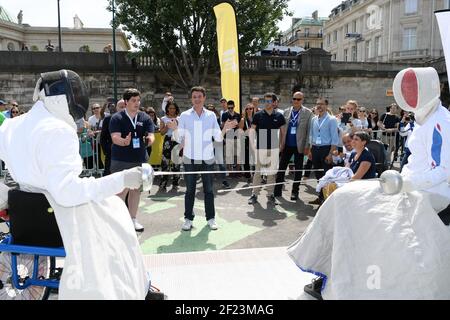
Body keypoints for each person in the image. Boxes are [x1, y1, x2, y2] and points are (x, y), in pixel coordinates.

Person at [287, 67, 450, 300]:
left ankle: (342, 280)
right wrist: (402, 181)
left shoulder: (440, 122)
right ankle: (329, 272)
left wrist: (403, 183)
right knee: (344, 197)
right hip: (408, 187)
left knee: (353, 204)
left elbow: (443, 171)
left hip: (429, 194)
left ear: (430, 88)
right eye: (407, 89)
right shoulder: (424, 119)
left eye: (414, 89)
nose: (410, 94)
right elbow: (416, 163)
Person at [0, 70, 156, 299]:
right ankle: (132, 285)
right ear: (62, 97)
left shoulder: (10, 126)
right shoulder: (58, 130)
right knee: (117, 215)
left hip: (25, 218)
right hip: (57, 217)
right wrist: (122, 179)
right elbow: (67, 192)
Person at [167, 86, 237, 231]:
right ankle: (188, 219)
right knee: (190, 191)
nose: (197, 99)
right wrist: (174, 129)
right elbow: (179, 138)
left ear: (204, 98)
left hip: (207, 159)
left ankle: (211, 219)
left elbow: (217, 137)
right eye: (194, 97)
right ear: (191, 99)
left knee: (209, 191)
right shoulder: (185, 116)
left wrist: (225, 129)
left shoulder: (211, 115)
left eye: (199, 96)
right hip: (190, 159)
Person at [109, 89, 155, 232]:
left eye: (138, 100)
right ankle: (118, 221)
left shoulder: (145, 117)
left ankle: (133, 219)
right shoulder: (116, 118)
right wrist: (124, 141)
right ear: (126, 102)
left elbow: (152, 135)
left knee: (136, 191)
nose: (136, 103)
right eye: (133, 101)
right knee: (121, 192)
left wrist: (149, 141)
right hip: (121, 160)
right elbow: (115, 138)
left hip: (139, 160)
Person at [247, 92, 287, 206]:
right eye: (265, 101)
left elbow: (283, 132)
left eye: (269, 101)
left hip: (274, 148)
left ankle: (270, 195)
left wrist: (281, 145)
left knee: (271, 174)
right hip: (260, 148)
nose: (267, 103)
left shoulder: (279, 116)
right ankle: (254, 194)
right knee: (257, 173)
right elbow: (252, 130)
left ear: (274, 103)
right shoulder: (258, 115)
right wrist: (253, 145)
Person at [274, 91, 313, 201]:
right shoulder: (286, 112)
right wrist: (281, 143)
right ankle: (277, 190)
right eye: (294, 99)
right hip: (287, 144)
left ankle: (295, 192)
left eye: (298, 99)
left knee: (298, 169)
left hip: (300, 145)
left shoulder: (308, 113)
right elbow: (281, 130)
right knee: (281, 168)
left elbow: (309, 131)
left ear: (302, 100)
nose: (296, 101)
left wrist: (307, 146)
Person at [308, 98, 340, 206]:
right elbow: (311, 136)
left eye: (321, 104)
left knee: (327, 175)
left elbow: (335, 138)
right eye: (317, 104)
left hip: (326, 149)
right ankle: (321, 197)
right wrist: (310, 150)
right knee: (318, 175)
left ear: (326, 106)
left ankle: (327, 201)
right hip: (315, 148)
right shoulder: (314, 119)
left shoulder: (332, 119)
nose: (319, 106)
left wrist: (330, 153)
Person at [159, 101, 181, 190]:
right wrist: (167, 126)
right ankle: (163, 183)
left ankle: (175, 183)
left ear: (176, 109)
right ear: (167, 109)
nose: (172, 110)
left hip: (177, 140)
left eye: (173, 108)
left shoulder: (180, 118)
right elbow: (161, 132)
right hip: (167, 140)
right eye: (170, 108)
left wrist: (176, 125)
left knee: (177, 163)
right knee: (165, 162)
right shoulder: (163, 119)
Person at [100, 99, 125, 176]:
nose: (123, 109)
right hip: (112, 153)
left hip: (128, 153)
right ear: (117, 108)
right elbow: (103, 137)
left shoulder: (134, 119)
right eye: (121, 107)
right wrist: (108, 149)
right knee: (109, 174)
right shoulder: (108, 119)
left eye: (125, 107)